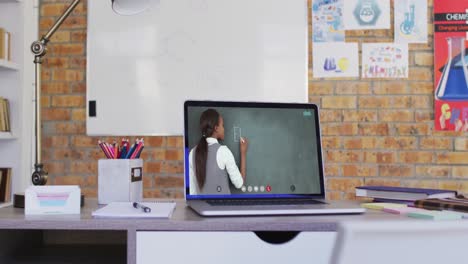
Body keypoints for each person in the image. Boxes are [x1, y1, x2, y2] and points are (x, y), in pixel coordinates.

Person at [189, 109, 248, 195]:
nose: (224, 129)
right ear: (216, 128)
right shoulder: (223, 151)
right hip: (223, 208)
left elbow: (192, 192)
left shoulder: (192, 153)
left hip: (201, 208)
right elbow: (239, 184)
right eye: (222, 125)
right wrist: (243, 153)